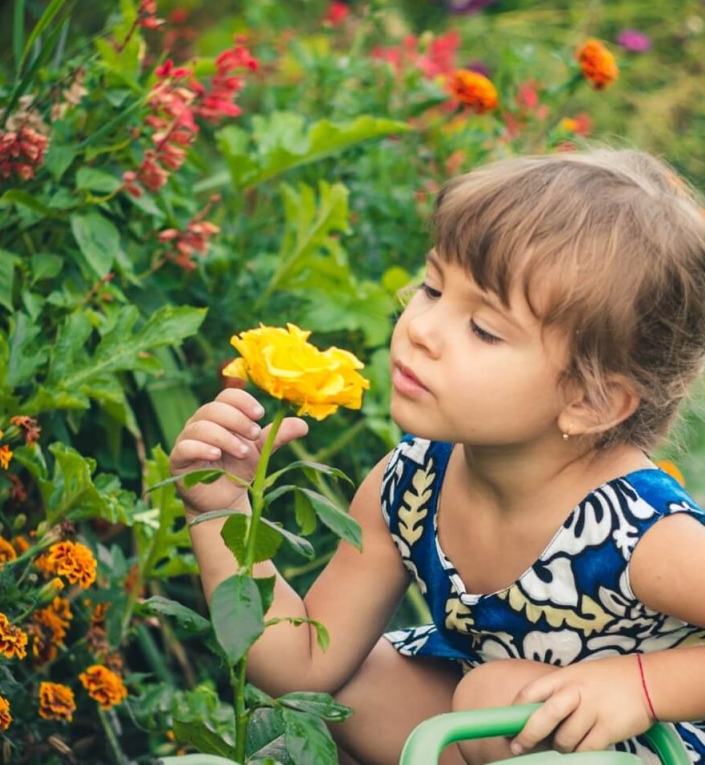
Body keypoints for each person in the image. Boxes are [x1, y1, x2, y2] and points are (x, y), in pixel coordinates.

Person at [169, 148, 705, 765]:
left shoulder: (643, 532)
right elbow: (302, 666)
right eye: (431, 288)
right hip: (492, 724)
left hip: (643, 746)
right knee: (350, 691)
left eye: (483, 329)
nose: (420, 327)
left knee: (491, 696)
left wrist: (639, 686)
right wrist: (224, 509)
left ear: (591, 401)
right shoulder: (413, 480)